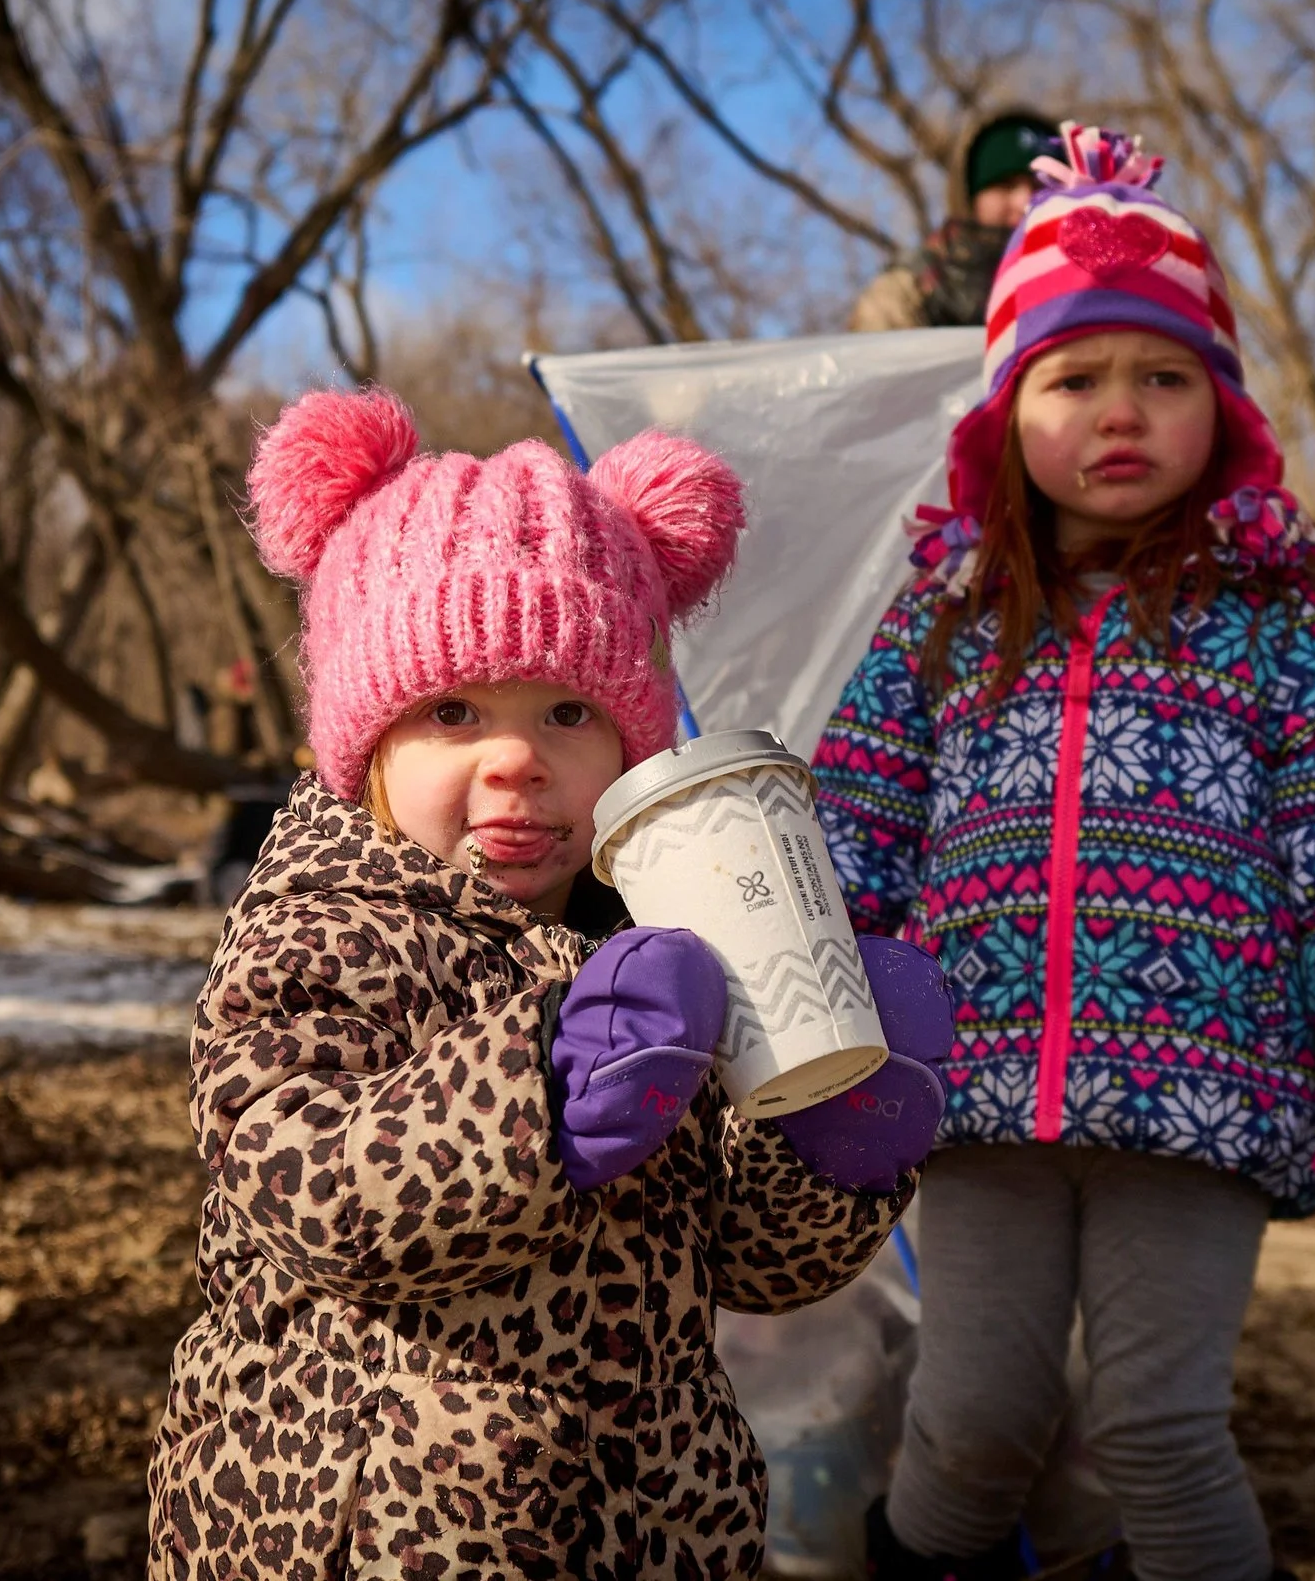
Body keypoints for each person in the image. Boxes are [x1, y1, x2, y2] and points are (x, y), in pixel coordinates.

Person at [813, 126, 1315, 1581]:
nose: (1119, 411)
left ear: (1223, 406)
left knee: (1155, 1426)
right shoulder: (943, 617)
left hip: (1200, 1096)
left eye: (1164, 374)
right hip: (982, 1094)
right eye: (1072, 377)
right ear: (1007, 415)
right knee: (973, 1422)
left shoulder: (1284, 617)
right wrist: (804, 1023)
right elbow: (851, 830)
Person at [146, 389, 950, 1577]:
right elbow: (308, 1188)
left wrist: (834, 1144)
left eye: (569, 711)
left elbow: (749, 1262)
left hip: (650, 1513)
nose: (516, 756)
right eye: (453, 711)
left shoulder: (673, 940)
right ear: (363, 743)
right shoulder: (317, 929)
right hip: (366, 1521)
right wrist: (538, 1091)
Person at [851, 110, 1060, 331]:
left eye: (1043, 185)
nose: (1025, 202)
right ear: (969, 198)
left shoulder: (1093, 274)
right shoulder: (909, 291)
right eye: (1006, 186)